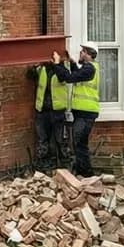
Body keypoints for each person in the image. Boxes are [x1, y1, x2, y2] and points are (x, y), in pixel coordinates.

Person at [55, 47, 100, 176]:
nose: (80, 53)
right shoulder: (89, 68)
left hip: (86, 113)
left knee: (79, 143)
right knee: (80, 143)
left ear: (89, 54)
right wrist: (73, 63)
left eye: (83, 52)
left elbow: (69, 78)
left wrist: (58, 64)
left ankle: (86, 174)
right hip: (83, 113)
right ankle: (83, 172)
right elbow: (78, 76)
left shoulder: (90, 68)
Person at [25, 54, 70, 170]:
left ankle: (65, 165)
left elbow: (63, 77)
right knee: (42, 139)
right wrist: (33, 67)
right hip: (43, 110)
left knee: (60, 140)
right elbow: (30, 76)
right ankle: (43, 166)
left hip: (58, 111)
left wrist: (57, 63)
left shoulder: (62, 70)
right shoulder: (42, 69)